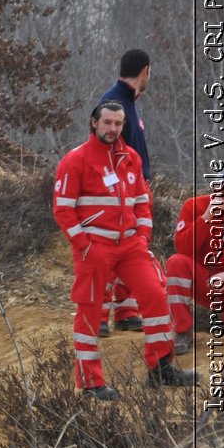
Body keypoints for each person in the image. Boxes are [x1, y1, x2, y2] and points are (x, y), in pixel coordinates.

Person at [52, 100, 198, 398]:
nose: (113, 128)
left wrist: (143, 236)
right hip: (95, 246)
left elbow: (143, 201)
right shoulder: (75, 160)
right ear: (94, 123)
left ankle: (162, 367)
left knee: (157, 295)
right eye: (107, 122)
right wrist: (85, 246)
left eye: (118, 123)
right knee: (90, 311)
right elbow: (63, 210)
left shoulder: (131, 157)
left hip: (131, 245)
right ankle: (90, 383)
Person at [96, 49, 153, 335]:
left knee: (133, 248)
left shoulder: (126, 101)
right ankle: (99, 314)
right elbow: (104, 150)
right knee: (110, 250)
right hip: (121, 191)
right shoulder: (114, 103)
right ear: (145, 71)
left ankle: (127, 310)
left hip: (137, 190)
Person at [166, 192, 224, 355]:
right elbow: (183, 248)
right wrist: (206, 217)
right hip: (206, 282)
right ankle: (183, 331)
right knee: (176, 262)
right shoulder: (194, 205)